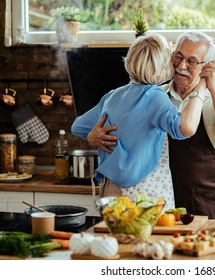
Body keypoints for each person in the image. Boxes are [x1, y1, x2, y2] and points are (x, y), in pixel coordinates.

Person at [87, 31, 215, 218]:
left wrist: (214, 88)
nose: (181, 66)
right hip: (161, 197)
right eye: (178, 57)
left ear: (206, 66)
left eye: (192, 61)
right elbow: (121, 131)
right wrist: (92, 137)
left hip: (209, 200)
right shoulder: (154, 95)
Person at [71, 33, 205, 211]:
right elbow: (184, 129)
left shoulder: (112, 95)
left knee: (111, 239)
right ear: (162, 65)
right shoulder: (154, 96)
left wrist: (91, 137)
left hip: (109, 189)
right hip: (142, 194)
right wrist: (201, 87)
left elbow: (77, 126)